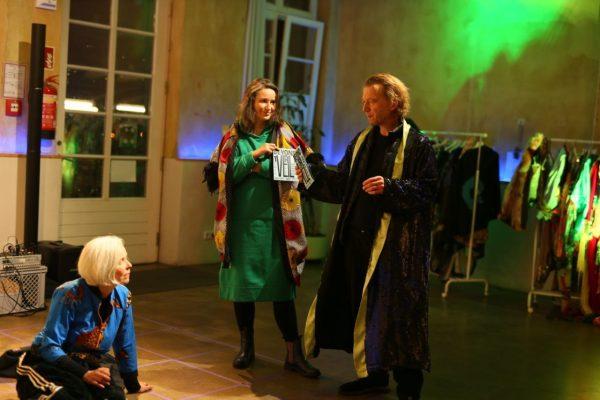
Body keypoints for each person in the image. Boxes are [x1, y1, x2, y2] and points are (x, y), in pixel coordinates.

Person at [299, 73, 437, 399]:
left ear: (394, 102)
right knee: (366, 311)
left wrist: (390, 188)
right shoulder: (362, 140)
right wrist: (303, 173)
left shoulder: (418, 145)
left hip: (395, 253)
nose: (365, 108)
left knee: (398, 317)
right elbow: (341, 185)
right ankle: (374, 375)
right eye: (364, 102)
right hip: (359, 245)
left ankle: (409, 388)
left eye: (372, 101)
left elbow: (428, 191)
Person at [204, 78, 319, 378]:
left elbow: (293, 176)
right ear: (250, 103)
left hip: (277, 229)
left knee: (282, 291)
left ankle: (293, 355)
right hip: (241, 227)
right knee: (243, 290)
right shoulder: (234, 136)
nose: (269, 107)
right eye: (263, 101)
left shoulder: (284, 134)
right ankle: (247, 348)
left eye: (273, 102)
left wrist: (257, 168)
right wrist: (254, 156)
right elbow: (224, 174)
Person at [14, 235, 151, 400]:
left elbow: (125, 343)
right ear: (104, 265)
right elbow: (50, 346)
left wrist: (132, 383)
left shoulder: (123, 295)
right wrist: (84, 374)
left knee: (114, 397)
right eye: (121, 261)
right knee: (64, 397)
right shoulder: (68, 293)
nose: (129, 265)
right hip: (55, 360)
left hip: (91, 359)